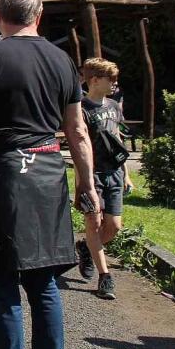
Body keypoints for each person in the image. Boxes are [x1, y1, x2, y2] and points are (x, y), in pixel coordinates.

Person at [0, 0, 101, 349]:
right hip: (49, 174)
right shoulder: (64, 61)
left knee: (0, 280)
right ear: (39, 13)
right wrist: (88, 184)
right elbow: (78, 132)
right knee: (44, 283)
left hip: (2, 177)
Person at [75, 58, 133, 300]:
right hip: (93, 175)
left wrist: (127, 173)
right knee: (94, 223)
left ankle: (87, 248)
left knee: (114, 225)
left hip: (115, 173)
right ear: (95, 80)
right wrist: (82, 183)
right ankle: (105, 277)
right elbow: (79, 146)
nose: (115, 84)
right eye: (111, 79)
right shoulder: (82, 109)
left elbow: (117, 139)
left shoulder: (113, 106)